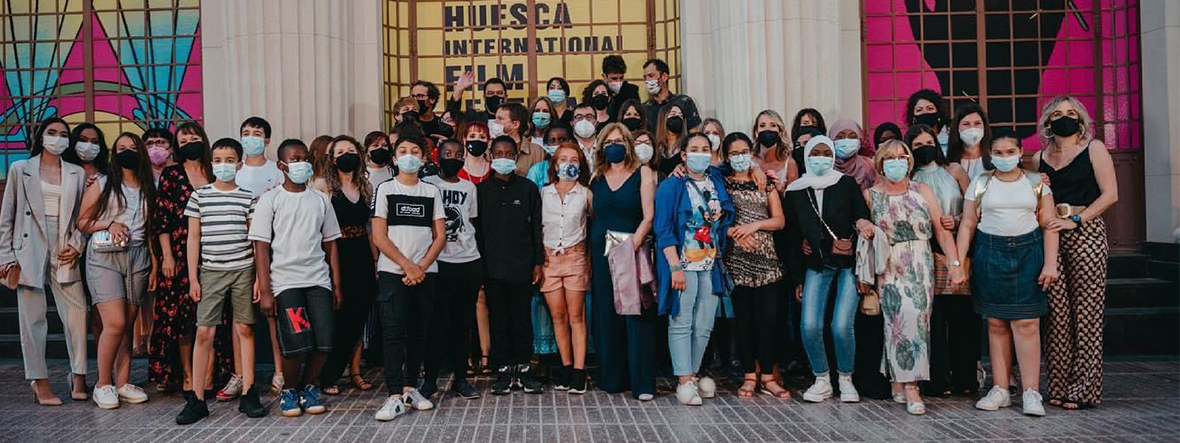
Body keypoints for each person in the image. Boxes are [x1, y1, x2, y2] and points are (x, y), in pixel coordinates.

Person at [956, 130, 1059, 417]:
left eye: (1009, 152)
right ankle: (1000, 388)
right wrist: (957, 263)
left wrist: (1050, 264)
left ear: (1020, 152)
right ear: (990, 155)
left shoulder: (1036, 183)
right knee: (996, 323)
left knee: (1027, 324)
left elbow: (1049, 224)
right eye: (998, 153)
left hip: (1029, 252)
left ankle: (1031, 392)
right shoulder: (980, 183)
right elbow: (967, 224)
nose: (1004, 157)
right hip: (990, 253)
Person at [865, 140, 966, 416]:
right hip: (889, 266)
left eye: (902, 156)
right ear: (880, 162)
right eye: (890, 157)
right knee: (897, 321)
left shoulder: (922, 190)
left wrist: (955, 262)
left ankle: (903, 381)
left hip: (922, 264)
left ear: (909, 162)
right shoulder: (870, 195)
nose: (896, 161)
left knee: (918, 322)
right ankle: (909, 386)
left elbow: (941, 231)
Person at [1033, 95, 1118, 410]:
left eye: (1071, 113)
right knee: (1056, 314)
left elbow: (1111, 194)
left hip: (1087, 230)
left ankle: (1083, 390)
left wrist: (1077, 220)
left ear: (1081, 120)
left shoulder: (1093, 149)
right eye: (1057, 114)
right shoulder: (1039, 157)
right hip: (1051, 233)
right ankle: (1057, 385)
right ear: (1048, 122)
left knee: (1087, 313)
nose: (1064, 118)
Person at [249, 139, 344, 418]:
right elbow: (261, 247)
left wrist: (336, 284)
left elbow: (331, 244)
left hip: (318, 281)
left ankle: (309, 386)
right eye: (294, 159)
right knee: (295, 344)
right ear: (281, 165)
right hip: (286, 283)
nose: (300, 163)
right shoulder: (271, 199)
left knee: (324, 342)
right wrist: (265, 290)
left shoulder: (320, 199)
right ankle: (289, 390)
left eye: (303, 158)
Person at [174, 138, 266, 424]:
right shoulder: (200, 195)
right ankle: (198, 398)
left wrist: (257, 279)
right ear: (211, 163)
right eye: (218, 160)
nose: (223, 165)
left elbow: (254, 239)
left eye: (229, 160)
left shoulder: (247, 196)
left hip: (243, 270)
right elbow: (193, 238)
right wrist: (193, 277)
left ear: (238, 165)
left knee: (245, 329)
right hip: (211, 272)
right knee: (204, 333)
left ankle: (249, 393)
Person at [0, 117, 90, 405]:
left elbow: (83, 218)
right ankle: (40, 382)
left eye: (64, 134)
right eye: (52, 133)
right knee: (33, 321)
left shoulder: (76, 172)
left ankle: (78, 376)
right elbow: (7, 217)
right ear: (41, 137)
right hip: (29, 248)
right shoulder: (20, 169)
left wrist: (78, 244)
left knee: (77, 316)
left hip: (65, 246)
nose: (58, 138)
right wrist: (6, 257)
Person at [784, 135, 872, 404]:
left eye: (825, 152)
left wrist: (862, 225)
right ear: (806, 156)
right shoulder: (796, 190)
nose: (820, 157)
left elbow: (861, 214)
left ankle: (845, 378)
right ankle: (821, 378)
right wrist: (798, 277)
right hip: (815, 265)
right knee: (809, 324)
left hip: (847, 264)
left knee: (841, 325)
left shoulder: (845, 183)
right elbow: (791, 236)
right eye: (814, 153)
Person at [150, 122, 233, 397]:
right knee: (181, 319)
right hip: (179, 252)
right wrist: (167, 257)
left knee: (211, 316)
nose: (189, 144)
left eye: (194, 138)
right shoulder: (172, 174)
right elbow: (161, 218)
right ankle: (187, 373)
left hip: (214, 251)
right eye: (183, 141)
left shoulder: (215, 171)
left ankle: (209, 375)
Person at [77, 131, 157, 409]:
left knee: (128, 326)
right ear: (113, 153)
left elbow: (151, 230)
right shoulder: (101, 183)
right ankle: (103, 384)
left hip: (138, 257)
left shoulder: (149, 185)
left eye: (132, 147)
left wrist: (155, 263)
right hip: (105, 256)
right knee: (115, 323)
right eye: (121, 147)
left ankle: (122, 383)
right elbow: (83, 221)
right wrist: (109, 224)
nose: (127, 152)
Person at [655, 132, 735, 406]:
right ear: (684, 155)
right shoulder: (672, 186)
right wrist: (674, 266)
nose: (701, 153)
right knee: (682, 321)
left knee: (704, 325)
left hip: (711, 264)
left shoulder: (716, 182)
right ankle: (684, 380)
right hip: (683, 263)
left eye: (706, 149)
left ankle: (695, 372)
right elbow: (663, 229)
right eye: (695, 149)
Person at [369, 134, 446, 421]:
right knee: (393, 333)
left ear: (424, 158)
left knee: (418, 332)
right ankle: (393, 395)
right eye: (403, 150)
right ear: (394, 157)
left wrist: (421, 266)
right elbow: (379, 235)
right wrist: (406, 265)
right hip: (393, 273)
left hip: (426, 274)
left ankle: (411, 388)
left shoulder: (431, 192)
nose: (409, 155)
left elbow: (440, 236)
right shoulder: (385, 189)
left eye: (415, 151)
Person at [904, 124, 975, 398]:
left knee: (962, 316)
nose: (924, 148)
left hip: (957, 247)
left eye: (928, 142)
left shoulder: (954, 171)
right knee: (933, 318)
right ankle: (937, 380)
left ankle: (965, 378)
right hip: (925, 251)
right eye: (917, 145)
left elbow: (973, 207)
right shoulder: (909, 178)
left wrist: (956, 221)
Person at [589, 122, 658, 401]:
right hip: (601, 251)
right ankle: (613, 378)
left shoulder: (643, 173)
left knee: (635, 313)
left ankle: (642, 383)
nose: (614, 146)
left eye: (619, 140)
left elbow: (649, 216)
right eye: (608, 142)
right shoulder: (597, 175)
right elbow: (593, 214)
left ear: (628, 144)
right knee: (606, 313)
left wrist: (632, 246)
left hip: (631, 250)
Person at [718, 132, 789, 400]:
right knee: (744, 321)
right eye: (734, 153)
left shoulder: (765, 183)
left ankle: (769, 376)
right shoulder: (722, 183)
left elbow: (779, 220)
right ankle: (749, 374)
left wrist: (756, 225)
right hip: (738, 260)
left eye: (745, 151)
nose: (740, 157)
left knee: (768, 320)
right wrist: (736, 232)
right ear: (727, 157)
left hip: (768, 260)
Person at [311, 136, 378, 397]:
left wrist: (375, 260)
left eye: (351, 150)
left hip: (362, 251)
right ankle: (327, 374)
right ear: (331, 158)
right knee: (336, 316)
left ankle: (350, 370)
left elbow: (370, 227)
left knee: (358, 315)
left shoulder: (365, 186)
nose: (346, 155)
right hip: (335, 253)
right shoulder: (322, 185)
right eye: (341, 151)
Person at [477, 136, 545, 395]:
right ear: (491, 157)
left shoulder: (528, 188)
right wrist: (480, 268)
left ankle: (524, 368)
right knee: (498, 319)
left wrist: (538, 262)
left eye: (509, 153)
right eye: (499, 153)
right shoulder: (482, 191)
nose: (504, 157)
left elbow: (536, 228)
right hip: (492, 267)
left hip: (523, 265)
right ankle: (503, 370)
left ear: (516, 157)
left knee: (521, 319)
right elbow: (478, 233)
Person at [422, 138, 483, 400]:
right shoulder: (428, 185)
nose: (453, 158)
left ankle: (461, 378)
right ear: (439, 156)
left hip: (467, 260)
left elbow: (470, 221)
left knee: (462, 324)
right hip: (438, 262)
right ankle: (430, 380)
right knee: (436, 324)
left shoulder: (470, 187)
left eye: (459, 154)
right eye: (448, 153)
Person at [539, 143, 593, 394]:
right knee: (557, 317)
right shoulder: (543, 193)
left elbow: (593, 227)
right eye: (563, 159)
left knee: (576, 316)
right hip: (549, 259)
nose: (568, 163)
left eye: (574, 159)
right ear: (555, 164)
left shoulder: (586, 194)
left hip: (575, 257)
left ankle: (580, 372)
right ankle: (566, 366)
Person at [641, 58, 701, 133]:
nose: (647, 80)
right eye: (645, 77)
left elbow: (694, 133)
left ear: (664, 77)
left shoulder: (684, 102)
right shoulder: (644, 108)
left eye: (651, 76)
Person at [237, 117, 286, 197]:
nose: (251, 138)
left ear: (267, 142)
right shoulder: (234, 169)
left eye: (257, 134)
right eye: (246, 134)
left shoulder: (277, 170)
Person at [492, 102, 545, 176]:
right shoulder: (489, 148)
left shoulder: (536, 151)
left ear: (515, 124)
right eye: (496, 118)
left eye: (500, 119)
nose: (495, 122)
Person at [752, 109, 800, 190]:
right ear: (756, 132)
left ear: (780, 131)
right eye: (762, 125)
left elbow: (793, 199)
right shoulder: (749, 159)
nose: (767, 129)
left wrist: (780, 188)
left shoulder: (789, 163)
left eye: (773, 125)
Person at [946, 103, 992, 181]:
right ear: (957, 128)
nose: (972, 128)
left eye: (977, 123)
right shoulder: (948, 162)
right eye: (966, 124)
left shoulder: (994, 158)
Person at [828, 120, 878, 190]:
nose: (846, 140)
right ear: (831, 139)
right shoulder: (826, 167)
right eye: (840, 137)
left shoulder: (870, 166)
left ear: (860, 140)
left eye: (852, 137)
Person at [602, 54, 640, 122]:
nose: (618, 81)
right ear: (604, 76)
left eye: (621, 78)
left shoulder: (631, 92)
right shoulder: (599, 93)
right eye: (614, 78)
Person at [655, 104, 688, 177]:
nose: (678, 118)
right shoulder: (654, 148)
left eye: (681, 116)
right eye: (673, 114)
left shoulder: (687, 147)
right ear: (663, 118)